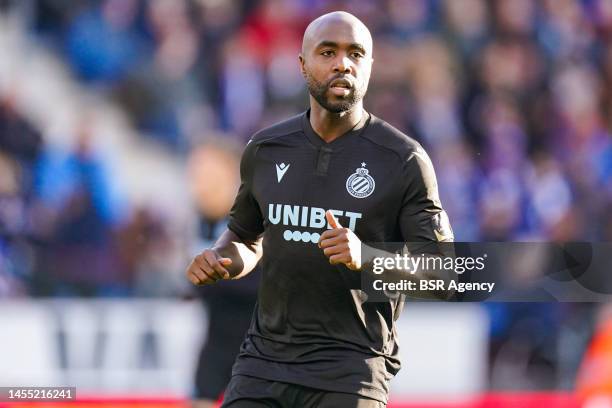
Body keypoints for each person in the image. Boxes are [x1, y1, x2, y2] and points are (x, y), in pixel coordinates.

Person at [186, 11, 453, 408]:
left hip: (351, 372)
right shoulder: (266, 148)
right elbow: (245, 238)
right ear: (302, 63)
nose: (342, 63)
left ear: (370, 67)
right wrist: (221, 258)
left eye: (355, 54)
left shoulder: (404, 160)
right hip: (263, 363)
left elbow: (446, 274)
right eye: (328, 52)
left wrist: (368, 257)